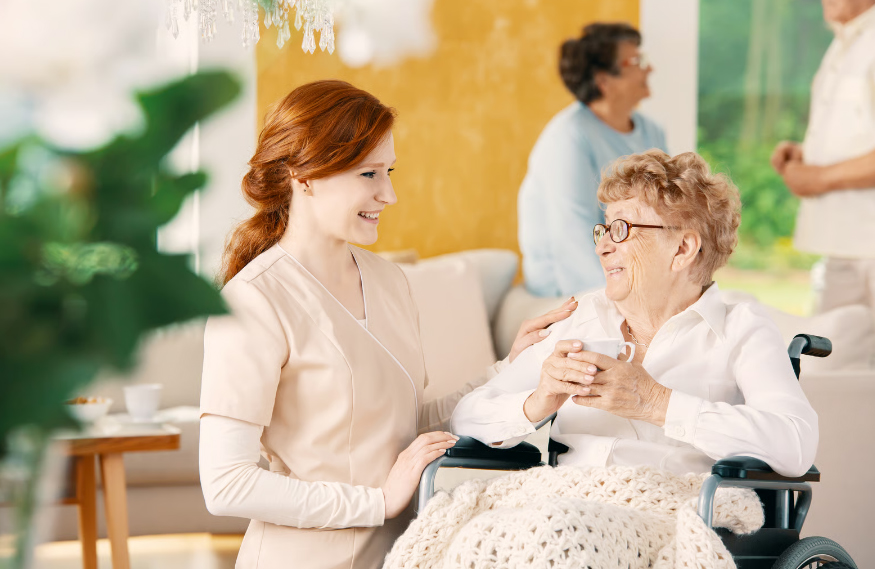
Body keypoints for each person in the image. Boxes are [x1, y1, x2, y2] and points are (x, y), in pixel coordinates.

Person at [198, 80, 576, 569]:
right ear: (304, 175)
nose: (390, 194)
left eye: (389, 171)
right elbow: (226, 484)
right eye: (369, 173)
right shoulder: (254, 301)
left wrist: (509, 369)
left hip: (402, 554)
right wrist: (376, 502)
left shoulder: (388, 281)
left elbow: (406, 429)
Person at [454, 150, 818, 478]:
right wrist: (539, 400)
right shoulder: (578, 321)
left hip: (674, 514)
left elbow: (795, 443)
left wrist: (657, 403)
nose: (601, 246)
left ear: (682, 248)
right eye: (603, 229)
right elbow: (467, 415)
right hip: (563, 502)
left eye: (621, 229)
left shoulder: (741, 329)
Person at [518, 22, 668, 299]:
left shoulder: (652, 132)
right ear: (603, 81)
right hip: (566, 294)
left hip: (633, 284)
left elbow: (664, 217)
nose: (649, 69)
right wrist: (617, 305)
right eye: (637, 61)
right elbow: (571, 242)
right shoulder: (568, 137)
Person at [770, 0, 875, 312]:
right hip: (846, 247)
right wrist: (809, 155)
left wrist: (818, 178)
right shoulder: (846, 41)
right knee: (827, 358)